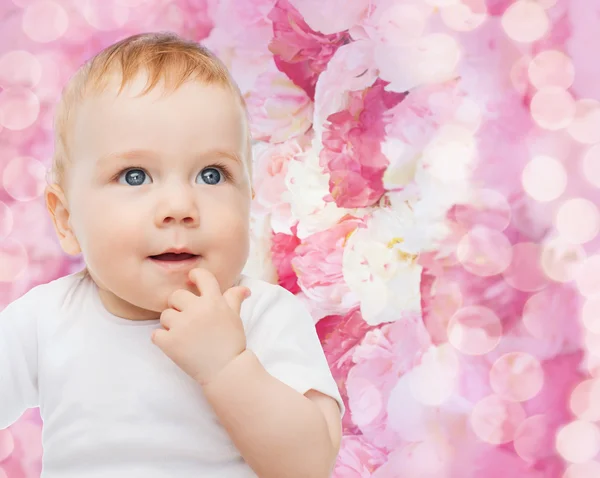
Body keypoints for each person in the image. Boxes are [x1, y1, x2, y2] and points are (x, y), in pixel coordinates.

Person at [0, 32, 344, 478]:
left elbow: (308, 466)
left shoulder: (262, 316)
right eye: (135, 176)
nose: (180, 207)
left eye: (211, 174)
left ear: (250, 200)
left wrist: (227, 367)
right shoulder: (42, 321)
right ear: (66, 219)